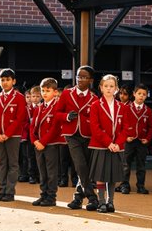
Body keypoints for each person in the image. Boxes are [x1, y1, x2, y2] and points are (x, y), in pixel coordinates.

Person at [57, 66, 99, 211]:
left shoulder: (94, 98)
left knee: (84, 168)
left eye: (84, 77)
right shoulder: (67, 93)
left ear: (91, 80)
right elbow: (57, 113)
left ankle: (77, 197)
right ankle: (92, 197)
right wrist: (66, 116)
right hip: (71, 134)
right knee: (80, 165)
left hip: (87, 134)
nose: (80, 79)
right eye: (79, 76)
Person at [88, 74, 126, 213]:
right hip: (101, 145)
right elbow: (95, 127)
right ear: (101, 88)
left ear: (116, 89)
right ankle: (101, 202)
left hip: (116, 147)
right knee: (101, 175)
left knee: (112, 175)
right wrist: (108, 142)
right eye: (106, 86)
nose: (109, 89)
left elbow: (125, 128)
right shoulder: (95, 105)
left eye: (112, 86)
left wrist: (118, 143)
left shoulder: (122, 106)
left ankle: (110, 202)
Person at [0, 68, 27, 202]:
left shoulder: (19, 97)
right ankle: (2, 190)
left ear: (14, 81)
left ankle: (10, 192)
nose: (5, 82)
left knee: (12, 163)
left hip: (13, 135)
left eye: (7, 80)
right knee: (2, 163)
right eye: (2, 80)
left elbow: (20, 118)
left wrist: (7, 133)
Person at [30, 77, 64, 207]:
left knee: (51, 172)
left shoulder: (58, 107)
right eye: (43, 90)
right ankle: (43, 194)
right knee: (42, 171)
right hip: (38, 144)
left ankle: (51, 197)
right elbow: (32, 126)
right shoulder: (39, 107)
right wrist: (35, 141)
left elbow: (55, 128)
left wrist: (43, 141)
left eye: (48, 90)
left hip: (51, 144)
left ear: (55, 92)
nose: (44, 93)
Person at [120, 84, 152, 194]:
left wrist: (147, 139)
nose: (141, 96)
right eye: (139, 94)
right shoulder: (126, 108)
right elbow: (121, 125)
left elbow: (151, 127)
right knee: (126, 164)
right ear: (134, 94)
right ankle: (124, 185)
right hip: (129, 141)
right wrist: (125, 137)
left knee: (141, 165)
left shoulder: (148, 111)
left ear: (146, 96)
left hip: (141, 142)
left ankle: (140, 185)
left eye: (144, 94)